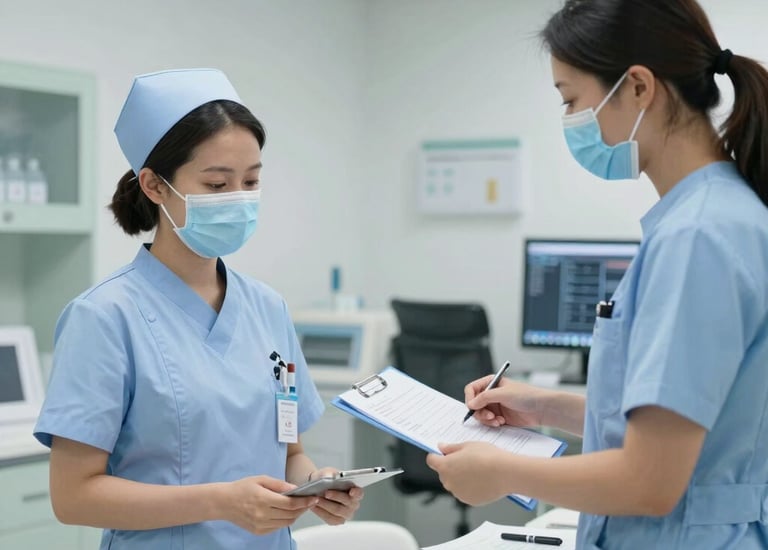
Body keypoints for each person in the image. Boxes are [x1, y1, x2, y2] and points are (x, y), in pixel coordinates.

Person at [426, 1, 768, 548]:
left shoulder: (697, 236)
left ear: (637, 87)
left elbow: (650, 480)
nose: (570, 121)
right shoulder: (715, 215)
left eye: (572, 100)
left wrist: (503, 473)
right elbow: (684, 424)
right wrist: (543, 405)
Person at [33, 68, 362, 549]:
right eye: (216, 184)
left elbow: (290, 454)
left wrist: (319, 485)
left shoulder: (267, 308)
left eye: (251, 181)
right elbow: (74, 497)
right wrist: (220, 503)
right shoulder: (103, 317)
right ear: (154, 186)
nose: (239, 200)